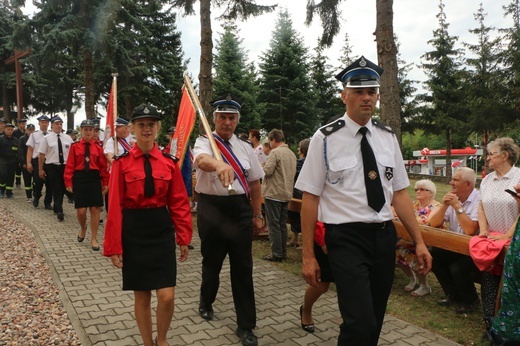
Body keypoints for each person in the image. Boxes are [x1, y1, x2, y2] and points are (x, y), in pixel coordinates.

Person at [295, 56, 431, 346]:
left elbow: (399, 193)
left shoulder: (386, 136)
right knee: (360, 322)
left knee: (375, 319)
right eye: (358, 91)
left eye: (371, 91)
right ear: (344, 96)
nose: (366, 97)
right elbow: (310, 197)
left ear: (378, 96)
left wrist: (419, 241)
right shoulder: (325, 138)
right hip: (345, 238)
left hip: (383, 237)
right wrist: (308, 255)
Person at [104, 104, 192, 346]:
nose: (146, 128)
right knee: (141, 294)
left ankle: (161, 339)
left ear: (157, 128)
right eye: (141, 124)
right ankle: (147, 343)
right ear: (132, 128)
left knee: (166, 296)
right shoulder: (121, 164)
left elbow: (179, 202)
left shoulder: (168, 162)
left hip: (161, 229)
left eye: (151, 124)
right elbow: (113, 208)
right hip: (134, 229)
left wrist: (184, 237)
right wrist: (114, 246)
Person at [193, 93, 264, 346]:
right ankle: (206, 301)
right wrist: (220, 165)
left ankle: (246, 325)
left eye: (231, 117)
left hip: (240, 210)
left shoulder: (246, 148)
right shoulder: (204, 142)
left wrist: (257, 214)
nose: (227, 121)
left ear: (237, 121)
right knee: (212, 263)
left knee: (243, 268)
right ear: (214, 119)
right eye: (222, 117)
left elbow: (255, 183)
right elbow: (201, 161)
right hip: (212, 209)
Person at [476, 138, 520, 320]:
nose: (487, 158)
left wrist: (507, 235)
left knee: (511, 288)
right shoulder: (487, 179)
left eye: (491, 154)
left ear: (505, 156)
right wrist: (484, 230)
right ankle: (489, 324)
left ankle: (508, 327)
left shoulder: (518, 177)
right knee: (489, 283)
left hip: (514, 243)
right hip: (491, 241)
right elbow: (481, 205)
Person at [429, 167, 481, 313]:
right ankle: (453, 294)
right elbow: (433, 223)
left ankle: (471, 301)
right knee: (433, 255)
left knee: (458, 268)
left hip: (474, 250)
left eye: (455, 180)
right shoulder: (452, 198)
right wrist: (444, 206)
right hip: (455, 247)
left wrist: (457, 207)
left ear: (468, 184)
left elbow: (470, 230)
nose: (451, 182)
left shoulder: (479, 199)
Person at [64, 120, 109, 251]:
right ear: (82, 131)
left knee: (95, 210)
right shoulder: (75, 147)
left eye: (91, 130)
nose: (88, 132)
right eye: (86, 129)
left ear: (94, 132)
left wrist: (105, 182)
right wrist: (68, 182)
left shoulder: (98, 148)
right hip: (80, 179)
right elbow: (70, 166)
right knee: (81, 210)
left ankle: (94, 238)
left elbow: (103, 168)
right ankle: (83, 228)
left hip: (94, 179)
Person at [395, 179, 441, 297]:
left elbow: (427, 221)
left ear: (431, 193)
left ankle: (424, 285)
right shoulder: (414, 204)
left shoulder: (436, 206)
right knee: (396, 248)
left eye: (422, 189)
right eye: (417, 189)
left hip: (431, 241)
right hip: (411, 238)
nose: (418, 191)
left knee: (415, 252)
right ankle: (412, 278)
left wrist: (408, 218)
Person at [261, 129, 296, 262]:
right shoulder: (291, 153)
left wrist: (261, 166)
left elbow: (268, 171)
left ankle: (276, 253)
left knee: (273, 225)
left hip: (274, 192)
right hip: (286, 192)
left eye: (270, 141)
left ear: (273, 140)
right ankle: (282, 251)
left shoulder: (275, 152)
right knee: (282, 225)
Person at [163, 126, 195, 250]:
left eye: (176, 135)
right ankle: (171, 235)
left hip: (184, 182)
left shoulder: (186, 149)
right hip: (171, 186)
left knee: (185, 210)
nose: (174, 138)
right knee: (171, 211)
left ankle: (185, 238)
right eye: (172, 135)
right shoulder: (166, 151)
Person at [300, 221, 334, 333]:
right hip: (325, 235)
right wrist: (322, 238)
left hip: (349, 238)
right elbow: (314, 213)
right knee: (321, 285)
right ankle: (306, 309)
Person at [38, 116, 73, 221]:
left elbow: (72, 154)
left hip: (65, 166)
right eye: (57, 124)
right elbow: (41, 155)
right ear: (52, 125)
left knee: (62, 188)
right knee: (56, 188)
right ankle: (60, 211)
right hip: (51, 166)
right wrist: (40, 169)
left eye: (60, 124)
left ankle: (57, 207)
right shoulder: (46, 138)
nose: (59, 126)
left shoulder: (68, 138)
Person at [26, 115, 53, 209]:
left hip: (49, 160)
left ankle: (47, 202)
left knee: (50, 182)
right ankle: (36, 196)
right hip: (37, 161)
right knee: (38, 181)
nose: (44, 124)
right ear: (39, 123)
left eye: (46, 122)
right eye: (43, 122)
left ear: (48, 124)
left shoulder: (52, 134)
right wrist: (28, 163)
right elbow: (30, 150)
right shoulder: (34, 135)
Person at [287, 138, 310, 248]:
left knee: (297, 215)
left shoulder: (299, 163)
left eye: (299, 146)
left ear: (303, 149)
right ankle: (295, 239)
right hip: (303, 193)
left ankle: (298, 239)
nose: (297, 148)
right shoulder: (313, 162)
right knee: (295, 215)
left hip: (299, 192)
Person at [0, 123, 19, 198]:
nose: (10, 131)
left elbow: (18, 151)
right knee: (3, 174)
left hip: (13, 161)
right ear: (4, 130)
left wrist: (18, 161)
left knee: (11, 176)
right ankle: (1, 190)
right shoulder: (1, 139)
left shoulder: (16, 140)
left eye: (11, 130)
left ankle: (9, 192)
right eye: (8, 129)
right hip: (2, 160)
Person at [18, 123, 35, 201]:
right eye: (29, 130)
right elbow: (20, 152)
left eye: (32, 130)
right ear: (26, 130)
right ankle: (29, 196)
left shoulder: (36, 138)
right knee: (27, 180)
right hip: (25, 163)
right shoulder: (22, 139)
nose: (31, 131)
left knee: (36, 180)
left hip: (35, 163)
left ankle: (35, 194)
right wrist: (24, 163)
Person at [13, 118, 27, 188]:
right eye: (22, 124)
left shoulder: (25, 132)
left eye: (24, 124)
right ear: (18, 124)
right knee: (17, 168)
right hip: (16, 151)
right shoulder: (15, 132)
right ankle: (18, 182)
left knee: (21, 167)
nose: (23, 125)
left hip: (24, 151)